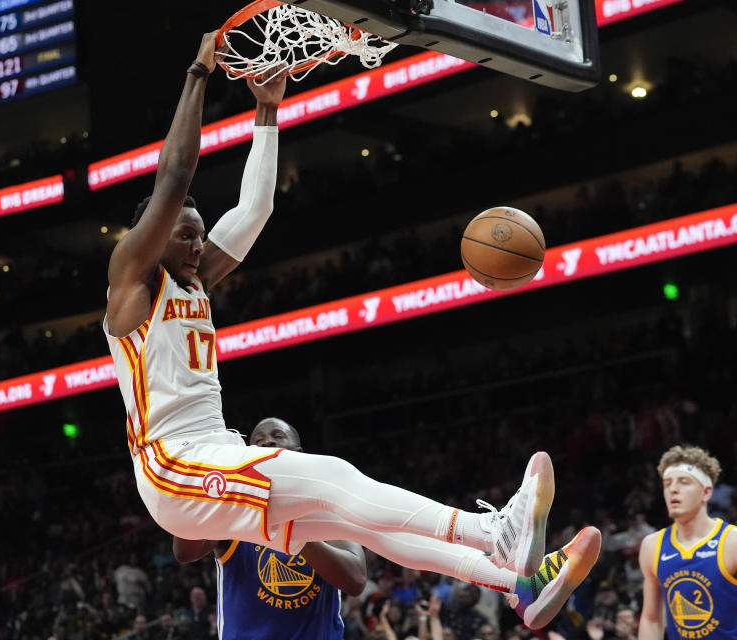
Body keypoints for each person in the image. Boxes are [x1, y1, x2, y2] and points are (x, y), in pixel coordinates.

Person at [103, 32, 601, 631]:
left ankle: (515, 584)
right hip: (171, 462)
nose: (195, 242)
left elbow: (255, 209)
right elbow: (176, 175)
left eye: (198, 232)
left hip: (212, 452)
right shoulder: (131, 282)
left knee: (352, 521)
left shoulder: (196, 278)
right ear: (150, 239)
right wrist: (198, 70)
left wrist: (267, 110)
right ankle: (493, 533)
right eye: (183, 233)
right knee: (338, 477)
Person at [173, 418, 368, 639]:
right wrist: (198, 482)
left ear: (299, 453)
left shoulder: (327, 507)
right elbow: (184, 552)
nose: (267, 442)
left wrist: (293, 532)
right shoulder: (233, 510)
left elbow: (356, 580)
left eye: (277, 436)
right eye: (258, 440)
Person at [638, 445, 737, 640]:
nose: (673, 489)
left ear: (706, 493)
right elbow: (652, 619)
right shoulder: (652, 546)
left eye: (684, 482)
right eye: (667, 484)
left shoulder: (732, 542)